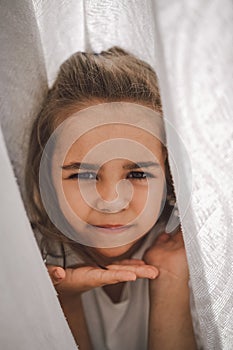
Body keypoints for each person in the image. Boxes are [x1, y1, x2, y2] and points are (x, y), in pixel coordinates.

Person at [25, 47, 197, 350]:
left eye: (137, 175)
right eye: (84, 176)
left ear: (170, 177)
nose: (111, 200)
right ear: (47, 178)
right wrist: (64, 299)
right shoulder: (27, 261)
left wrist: (170, 279)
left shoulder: (195, 260)